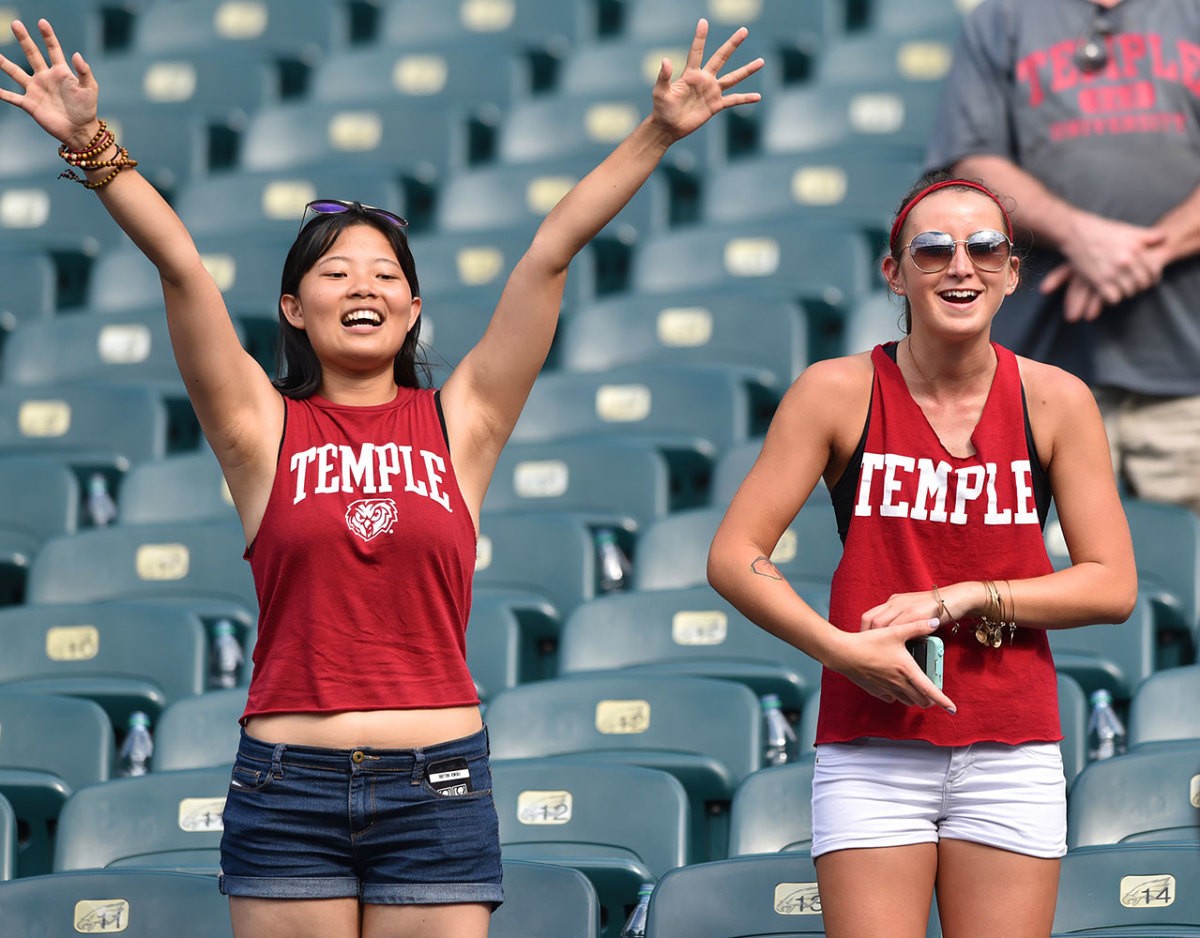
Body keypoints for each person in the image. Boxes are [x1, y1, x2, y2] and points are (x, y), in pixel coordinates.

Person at [0, 16, 763, 938]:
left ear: (410, 309)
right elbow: (182, 270)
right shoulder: (259, 428)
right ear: (293, 306)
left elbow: (550, 253)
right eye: (334, 273)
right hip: (287, 790)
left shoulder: (463, 420)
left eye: (384, 274)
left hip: (437, 786)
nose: (362, 286)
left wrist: (658, 133)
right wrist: (91, 144)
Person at [707, 172, 1137, 938]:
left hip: (1012, 742)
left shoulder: (1056, 399)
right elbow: (735, 555)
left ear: (1011, 271)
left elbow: (1113, 587)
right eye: (932, 250)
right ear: (894, 273)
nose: (959, 267)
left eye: (985, 249)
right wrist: (841, 651)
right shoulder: (835, 391)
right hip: (871, 744)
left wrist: (967, 595)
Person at [926, 0, 1200, 513]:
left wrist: (1138, 253)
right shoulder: (1003, 17)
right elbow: (972, 163)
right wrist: (1080, 237)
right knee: (1042, 583)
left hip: (1188, 376)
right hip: (1039, 379)